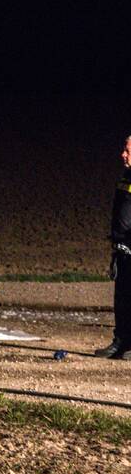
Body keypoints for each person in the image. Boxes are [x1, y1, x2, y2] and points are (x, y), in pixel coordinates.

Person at [97, 135, 131, 359]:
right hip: (123, 249)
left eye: (128, 150)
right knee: (122, 297)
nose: (123, 154)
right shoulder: (125, 176)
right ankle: (121, 341)